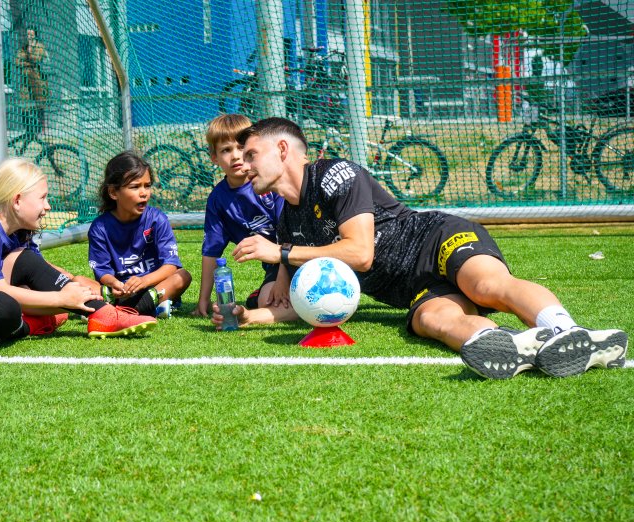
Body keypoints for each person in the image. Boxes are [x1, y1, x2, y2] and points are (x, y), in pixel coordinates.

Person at [213, 117, 628, 379]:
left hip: (435, 238)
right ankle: (512, 345)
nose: (243, 164)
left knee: (486, 285)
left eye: (251, 153)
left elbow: (360, 253)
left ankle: (565, 329)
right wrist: (250, 315)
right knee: (436, 322)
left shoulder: (336, 174)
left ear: (282, 150)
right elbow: (297, 302)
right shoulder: (287, 219)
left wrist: (281, 255)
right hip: (411, 289)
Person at [0, 158, 156, 349]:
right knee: (2, 304)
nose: (47, 206)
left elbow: (38, 269)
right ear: (17, 200)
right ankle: (35, 324)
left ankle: (103, 314)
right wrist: (61, 299)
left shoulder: (18, 230)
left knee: (27, 263)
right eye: (43, 198)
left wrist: (80, 287)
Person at [190, 114, 286, 317]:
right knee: (267, 301)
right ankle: (260, 294)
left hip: (298, 255)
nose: (235, 156)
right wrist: (203, 300)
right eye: (226, 150)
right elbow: (211, 252)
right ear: (214, 157)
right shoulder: (218, 200)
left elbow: (290, 236)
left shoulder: (272, 183)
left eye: (241, 148)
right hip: (274, 268)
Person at [88, 151, 192, 318]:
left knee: (182, 276)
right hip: (119, 292)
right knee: (79, 281)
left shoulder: (157, 219)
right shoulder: (100, 228)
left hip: (153, 286)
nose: (144, 193)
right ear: (114, 192)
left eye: (147, 185)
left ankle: (118, 309)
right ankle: (148, 307)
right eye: (135, 187)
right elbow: (102, 271)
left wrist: (143, 281)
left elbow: (171, 266)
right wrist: (114, 284)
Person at [14, 29, 48, 138]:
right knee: (24, 103)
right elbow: (17, 62)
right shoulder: (23, 48)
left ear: (35, 35)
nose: (29, 36)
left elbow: (36, 59)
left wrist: (29, 52)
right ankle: (28, 129)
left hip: (37, 77)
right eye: (27, 34)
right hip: (25, 79)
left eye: (31, 34)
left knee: (39, 102)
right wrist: (28, 61)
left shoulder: (40, 46)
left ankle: (42, 127)